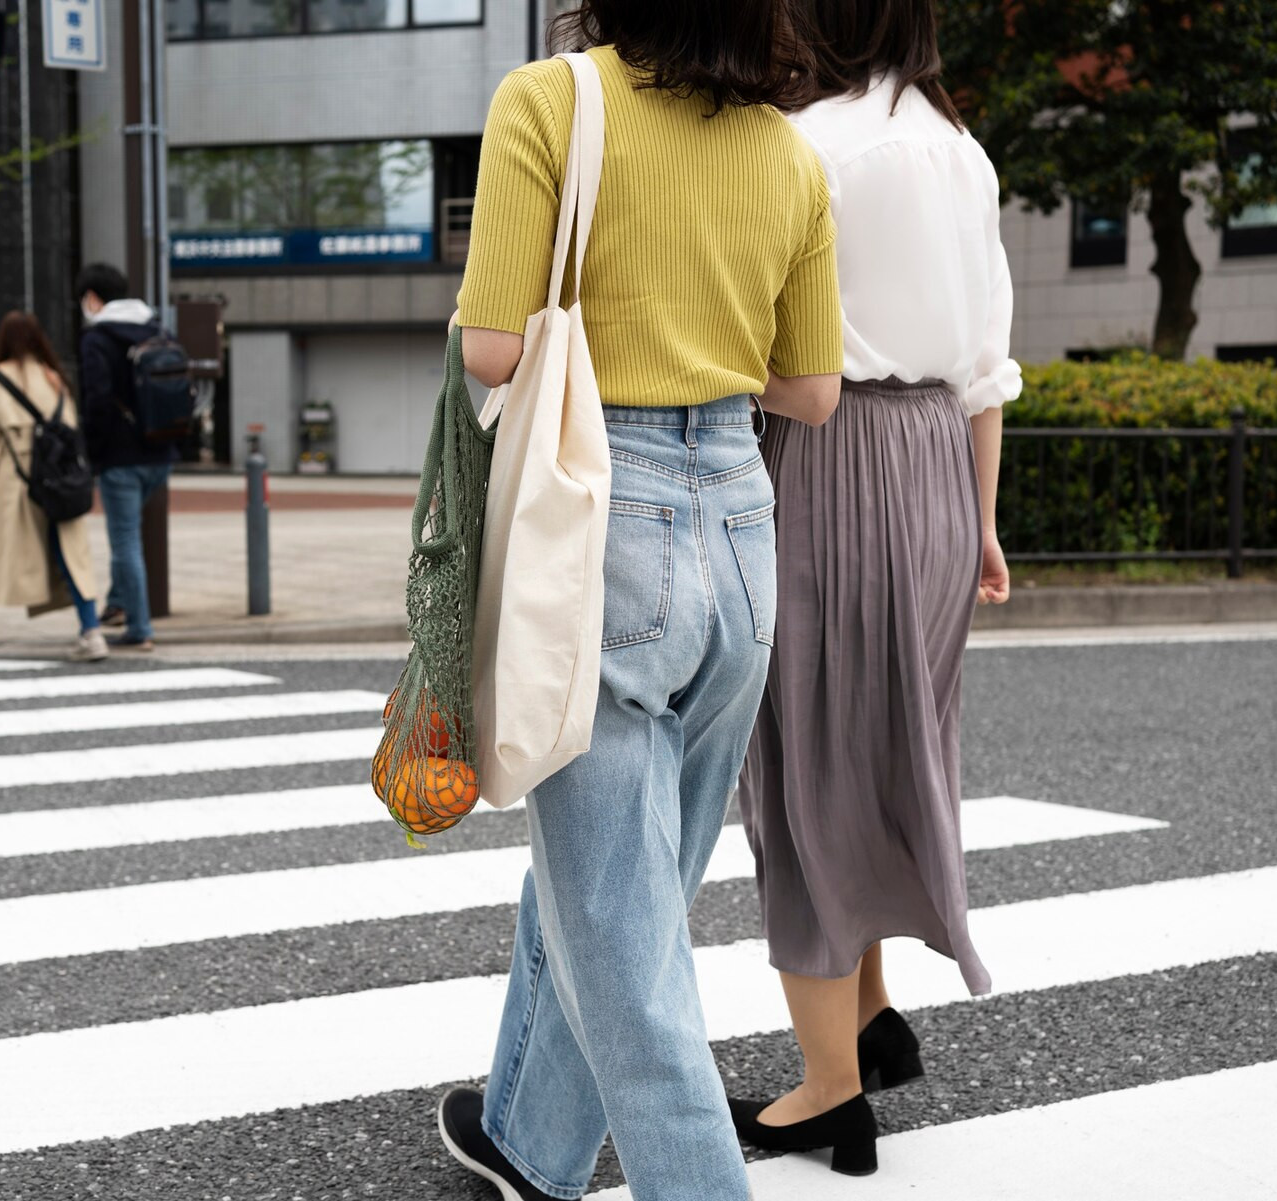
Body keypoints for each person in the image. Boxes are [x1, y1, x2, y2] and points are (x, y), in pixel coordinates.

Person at [435, 4, 844, 1199]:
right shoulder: (789, 151)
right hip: (740, 521)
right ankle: (530, 1144)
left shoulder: (552, 100)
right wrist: (701, 343)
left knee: (625, 938)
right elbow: (813, 389)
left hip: (601, 518)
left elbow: (494, 348)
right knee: (623, 887)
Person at [727, 0, 1020, 1177]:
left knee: (805, 765)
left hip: (832, 454)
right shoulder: (964, 151)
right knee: (895, 753)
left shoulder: (803, 145)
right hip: (941, 466)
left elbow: (765, 346)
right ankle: (873, 1015)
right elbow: (987, 365)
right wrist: (984, 523)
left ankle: (830, 1091)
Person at [0, 312, 108, 663]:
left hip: (15, 483)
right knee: (71, 556)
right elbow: (70, 425)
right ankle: (92, 632)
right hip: (60, 479)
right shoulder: (54, 378)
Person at [76, 262, 173, 652]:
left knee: (125, 539)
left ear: (93, 298)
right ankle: (118, 604)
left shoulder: (98, 339)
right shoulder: (157, 328)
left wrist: (94, 453)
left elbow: (96, 401)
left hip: (120, 456)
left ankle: (140, 627)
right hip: (161, 452)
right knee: (128, 534)